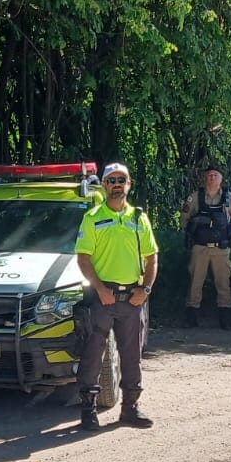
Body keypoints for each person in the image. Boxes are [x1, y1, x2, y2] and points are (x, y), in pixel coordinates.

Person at [74, 162, 160, 431]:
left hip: (132, 298)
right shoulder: (93, 218)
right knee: (92, 355)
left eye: (121, 179)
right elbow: (83, 259)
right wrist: (100, 289)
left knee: (131, 354)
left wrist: (145, 290)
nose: (116, 185)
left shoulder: (139, 218)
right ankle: (88, 410)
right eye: (111, 180)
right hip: (102, 298)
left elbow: (152, 257)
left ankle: (130, 409)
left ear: (129, 184)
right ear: (103, 185)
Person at [180, 165, 231, 329]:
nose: (212, 178)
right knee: (196, 282)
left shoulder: (229, 198)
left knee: (223, 283)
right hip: (200, 248)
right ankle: (191, 317)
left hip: (221, 248)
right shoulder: (196, 197)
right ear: (205, 178)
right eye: (209, 175)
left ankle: (226, 318)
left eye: (216, 175)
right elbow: (184, 218)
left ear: (221, 179)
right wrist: (193, 228)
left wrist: (230, 234)